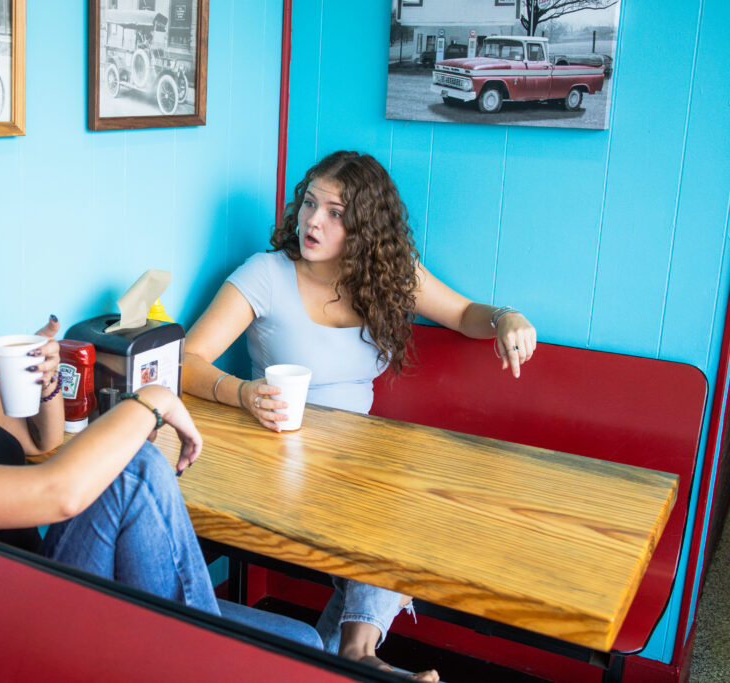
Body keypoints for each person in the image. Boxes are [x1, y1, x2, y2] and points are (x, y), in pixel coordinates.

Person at [0, 244, 321, 649]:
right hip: (8, 622)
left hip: (47, 579)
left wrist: (47, 381)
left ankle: (198, 651)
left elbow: (42, 440)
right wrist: (151, 400)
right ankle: (206, 657)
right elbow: (58, 493)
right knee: (136, 467)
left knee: (305, 639)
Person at [183, 150, 538, 681]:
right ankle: (355, 659)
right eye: (309, 204)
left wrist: (508, 317)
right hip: (282, 461)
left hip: (358, 459)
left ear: (365, 228)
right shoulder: (267, 274)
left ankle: (350, 659)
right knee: (393, 505)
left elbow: (465, 315)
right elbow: (185, 360)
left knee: (406, 496)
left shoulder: (388, 276)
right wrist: (243, 393)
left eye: (335, 213)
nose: (312, 222)